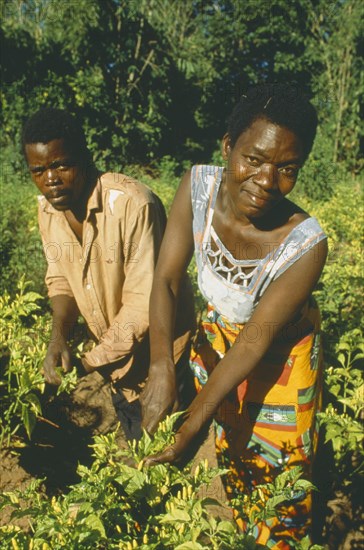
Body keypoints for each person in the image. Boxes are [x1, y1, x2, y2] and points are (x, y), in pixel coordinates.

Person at [141, 84, 328, 547]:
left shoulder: (305, 244)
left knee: (280, 476)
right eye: (255, 159)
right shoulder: (198, 186)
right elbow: (166, 279)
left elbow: (256, 339)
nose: (267, 181)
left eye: (287, 169)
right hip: (218, 341)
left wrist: (189, 426)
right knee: (234, 454)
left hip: (282, 358)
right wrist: (161, 364)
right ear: (228, 147)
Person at [22, 107, 195, 441]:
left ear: (85, 157)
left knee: (172, 457)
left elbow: (143, 304)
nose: (51, 179)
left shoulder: (132, 204)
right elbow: (60, 279)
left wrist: (88, 364)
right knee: (138, 444)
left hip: (164, 359)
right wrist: (59, 336)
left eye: (61, 165)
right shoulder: (48, 210)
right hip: (117, 364)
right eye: (39, 170)